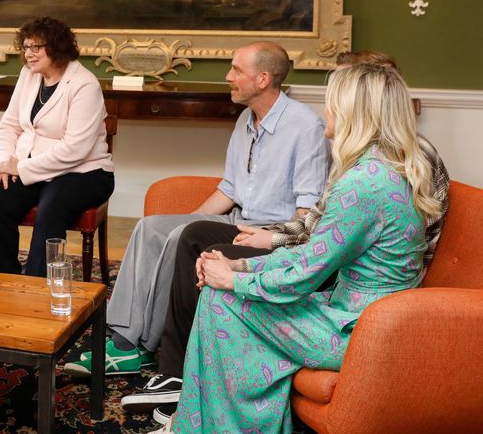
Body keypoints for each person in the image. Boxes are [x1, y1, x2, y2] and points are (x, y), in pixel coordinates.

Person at [126, 50, 451, 420]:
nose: (325, 111)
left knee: (220, 300)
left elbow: (305, 273)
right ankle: (211, 418)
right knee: (221, 288)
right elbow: (312, 250)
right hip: (357, 314)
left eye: (332, 103)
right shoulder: (381, 168)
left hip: (360, 330)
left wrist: (233, 279)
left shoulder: (364, 182)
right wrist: (245, 265)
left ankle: (208, 421)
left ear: (352, 112)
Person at [64, 41, 328, 377]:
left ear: (263, 79)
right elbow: (230, 189)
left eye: (236, 70)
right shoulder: (247, 118)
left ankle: (141, 346)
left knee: (179, 237)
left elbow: (307, 209)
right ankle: (120, 335)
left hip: (266, 229)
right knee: (151, 226)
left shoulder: (305, 127)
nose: (228, 76)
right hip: (236, 217)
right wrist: (190, 219)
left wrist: (267, 239)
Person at [0, 16, 114, 277]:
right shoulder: (28, 75)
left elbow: (75, 149)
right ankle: (5, 280)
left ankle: (36, 289)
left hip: (84, 173)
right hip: (33, 169)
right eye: (26, 47)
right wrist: (7, 164)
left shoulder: (84, 84)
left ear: (56, 47)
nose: (28, 55)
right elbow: (9, 125)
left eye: (36, 47)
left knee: (51, 209)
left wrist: (21, 167)